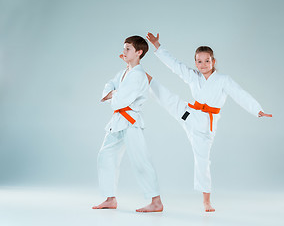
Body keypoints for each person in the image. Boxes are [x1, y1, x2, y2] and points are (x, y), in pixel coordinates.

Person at [146, 32, 272, 212]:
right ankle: (141, 75)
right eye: (199, 61)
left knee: (202, 160)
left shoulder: (223, 80)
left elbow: (239, 94)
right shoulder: (192, 76)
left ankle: (206, 201)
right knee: (166, 97)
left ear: (213, 61)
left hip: (204, 126)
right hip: (188, 113)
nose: (203, 65)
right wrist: (158, 46)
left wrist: (256, 109)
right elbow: (175, 65)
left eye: (207, 61)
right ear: (195, 62)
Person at [92, 35, 163, 212]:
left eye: (128, 49)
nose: (123, 51)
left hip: (131, 122)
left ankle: (156, 201)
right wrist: (114, 92)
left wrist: (113, 94)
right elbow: (109, 86)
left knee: (140, 160)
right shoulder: (125, 72)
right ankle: (110, 198)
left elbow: (118, 101)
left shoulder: (138, 75)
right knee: (105, 155)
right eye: (124, 48)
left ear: (139, 52)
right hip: (117, 121)